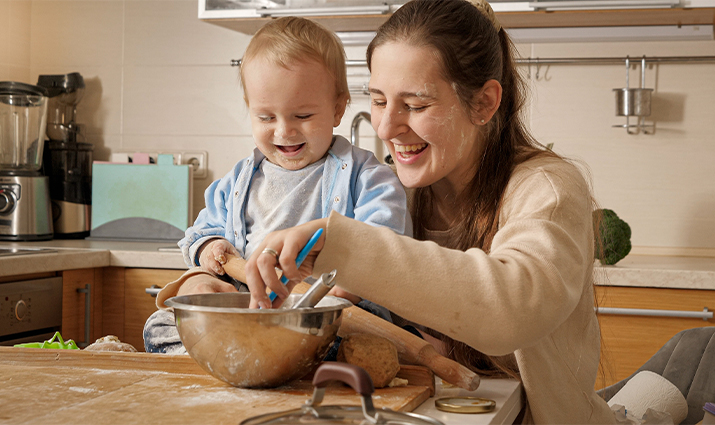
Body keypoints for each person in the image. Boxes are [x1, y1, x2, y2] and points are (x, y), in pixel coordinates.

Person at [243, 1, 617, 423]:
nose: (385, 128)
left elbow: (511, 310)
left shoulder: (546, 188)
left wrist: (342, 246)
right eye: (380, 101)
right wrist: (212, 268)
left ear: (484, 103)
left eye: (416, 106)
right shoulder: (391, 190)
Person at [143, 16, 409, 354]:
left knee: (350, 340)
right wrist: (211, 248)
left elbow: (387, 245)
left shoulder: (368, 177)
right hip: (251, 312)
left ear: (338, 108)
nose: (284, 131)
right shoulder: (239, 180)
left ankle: (248, 359)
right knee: (164, 322)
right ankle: (234, 355)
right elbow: (201, 231)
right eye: (266, 117)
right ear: (249, 110)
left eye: (302, 116)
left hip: (325, 317)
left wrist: (348, 288)